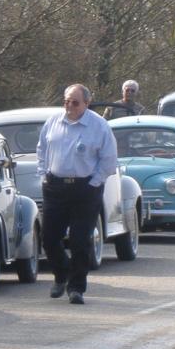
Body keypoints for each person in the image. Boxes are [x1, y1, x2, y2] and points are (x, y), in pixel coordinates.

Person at [37, 84, 118, 305]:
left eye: (75, 102)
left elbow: (109, 160)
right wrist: (43, 175)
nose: (69, 106)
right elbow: (42, 149)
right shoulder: (53, 121)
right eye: (66, 101)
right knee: (49, 237)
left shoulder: (98, 126)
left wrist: (94, 183)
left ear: (86, 103)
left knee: (80, 240)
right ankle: (61, 274)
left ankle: (76, 287)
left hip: (85, 188)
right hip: (55, 188)